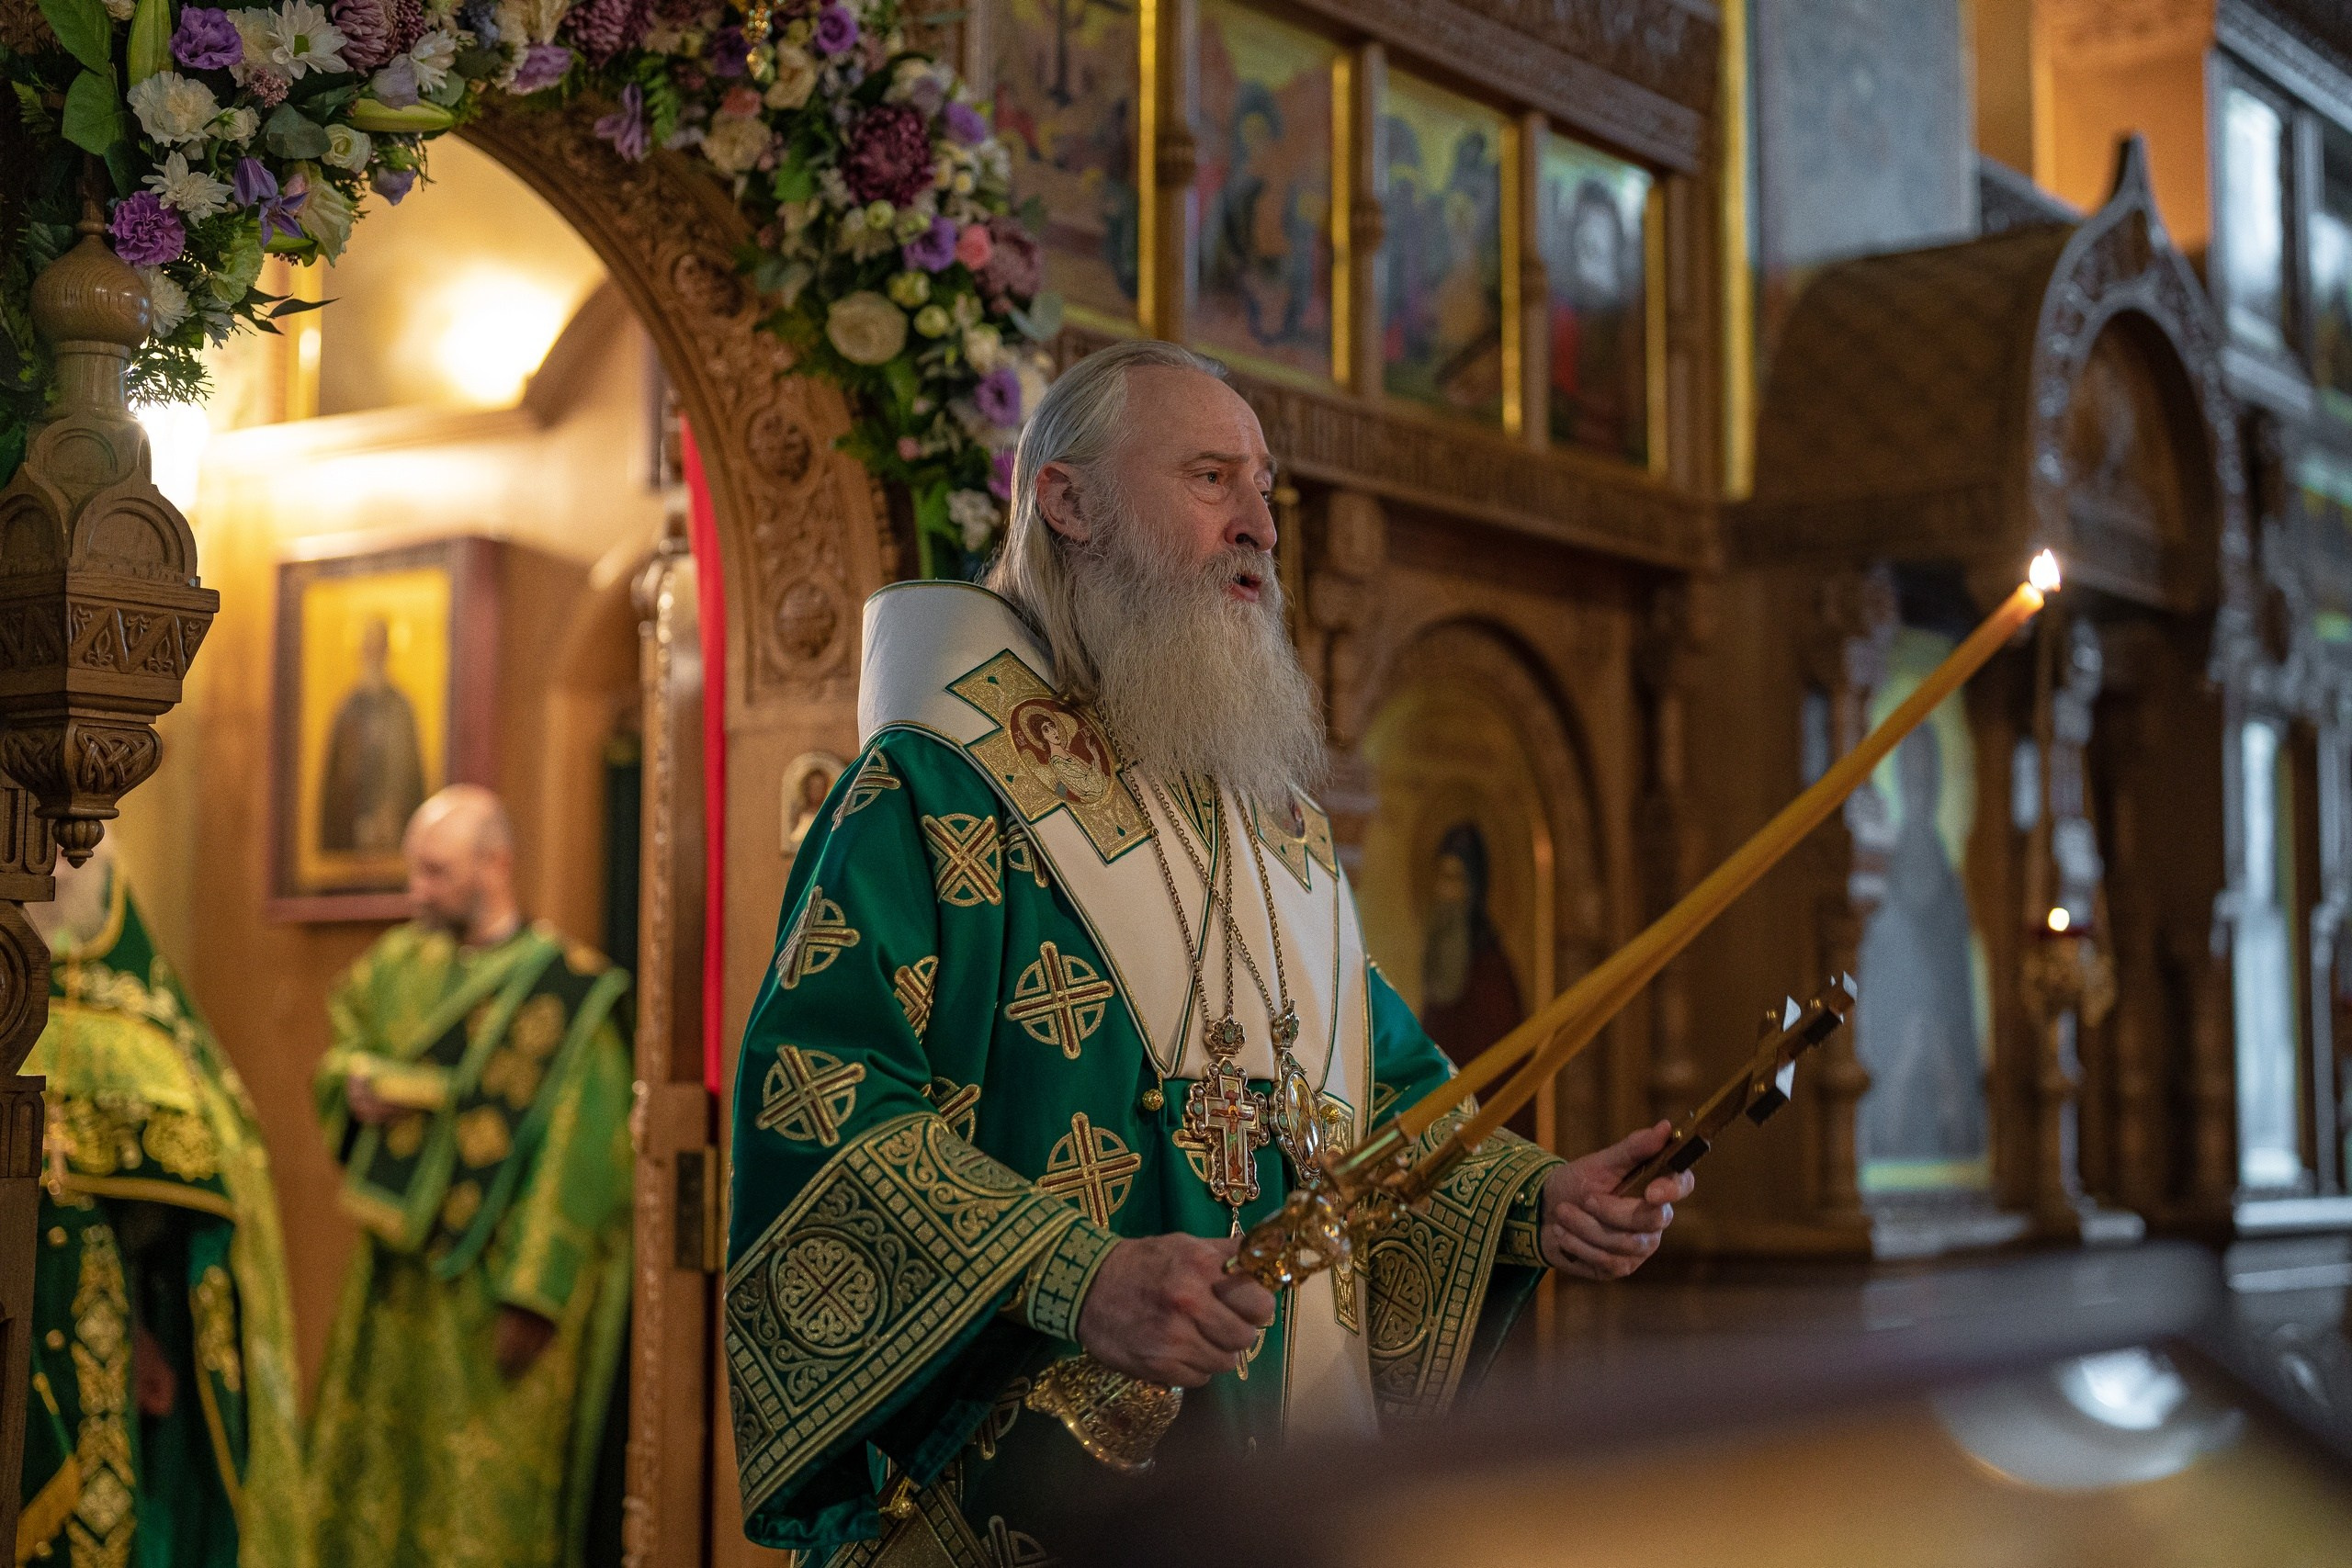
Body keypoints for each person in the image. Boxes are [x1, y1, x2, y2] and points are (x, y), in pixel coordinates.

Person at [722, 340, 1690, 1562]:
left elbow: (1373, 1089)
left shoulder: (1271, 820)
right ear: (1068, 502)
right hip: (1025, 1497)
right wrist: (1075, 1271)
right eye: (1209, 477)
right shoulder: (932, 791)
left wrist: (1530, 1201)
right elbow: (824, 1106)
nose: (1261, 527)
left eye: (1265, 486)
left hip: (1281, 1478)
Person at [308, 785, 634, 1568]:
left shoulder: (567, 992)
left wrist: (535, 1293)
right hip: (395, 1276)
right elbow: (342, 1044)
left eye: (436, 872)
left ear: (496, 864)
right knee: (373, 1487)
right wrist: (350, 1081)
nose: (416, 891)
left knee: (477, 1508)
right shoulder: (398, 963)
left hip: (486, 1290)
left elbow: (577, 1157)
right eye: (415, 871)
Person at [18, 839, 304, 1568]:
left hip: (96, 1310)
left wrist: (151, 1330)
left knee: (97, 1524)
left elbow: (185, 1198)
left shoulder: (137, 1000)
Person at [318, 617, 427, 857]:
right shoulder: (348, 710)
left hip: (394, 828)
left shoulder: (401, 708)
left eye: (379, 647)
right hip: (354, 830)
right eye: (369, 646)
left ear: (387, 651)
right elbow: (336, 782)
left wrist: (393, 813)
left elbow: (411, 776)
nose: (373, 654)